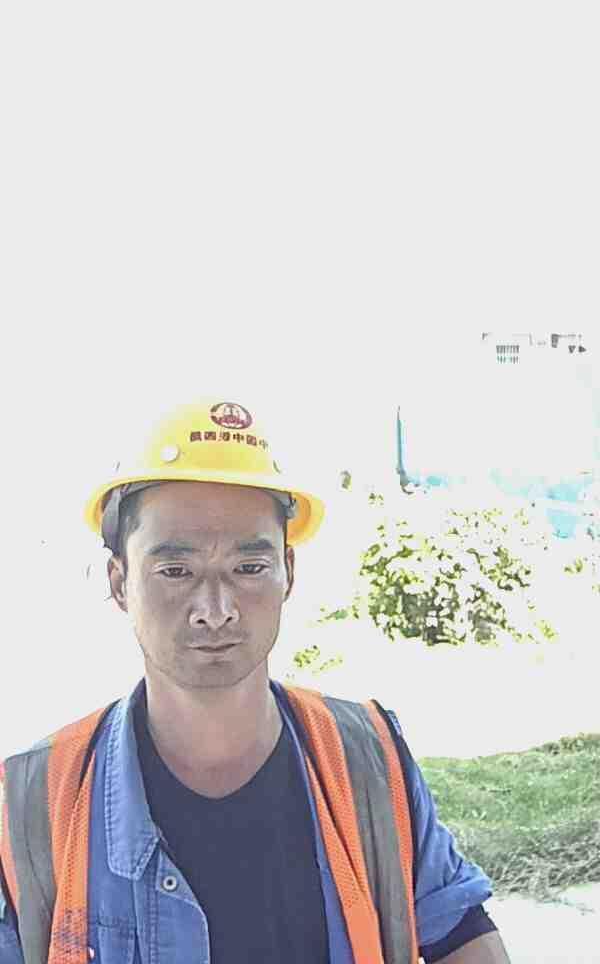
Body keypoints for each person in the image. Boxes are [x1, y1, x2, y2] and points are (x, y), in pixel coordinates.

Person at [0, 399, 511, 963]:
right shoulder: (33, 800)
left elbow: (459, 929)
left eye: (248, 568)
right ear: (120, 583)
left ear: (288, 572)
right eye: (176, 571)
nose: (215, 610)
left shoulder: (367, 757)